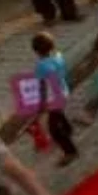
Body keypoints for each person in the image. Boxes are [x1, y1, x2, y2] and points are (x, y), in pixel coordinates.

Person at [30, 32, 78, 167]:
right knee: (58, 113)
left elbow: (42, 86)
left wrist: (41, 104)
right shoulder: (59, 57)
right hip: (63, 92)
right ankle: (68, 129)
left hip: (54, 97)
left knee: (54, 129)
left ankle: (70, 151)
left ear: (36, 51)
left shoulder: (41, 66)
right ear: (52, 46)